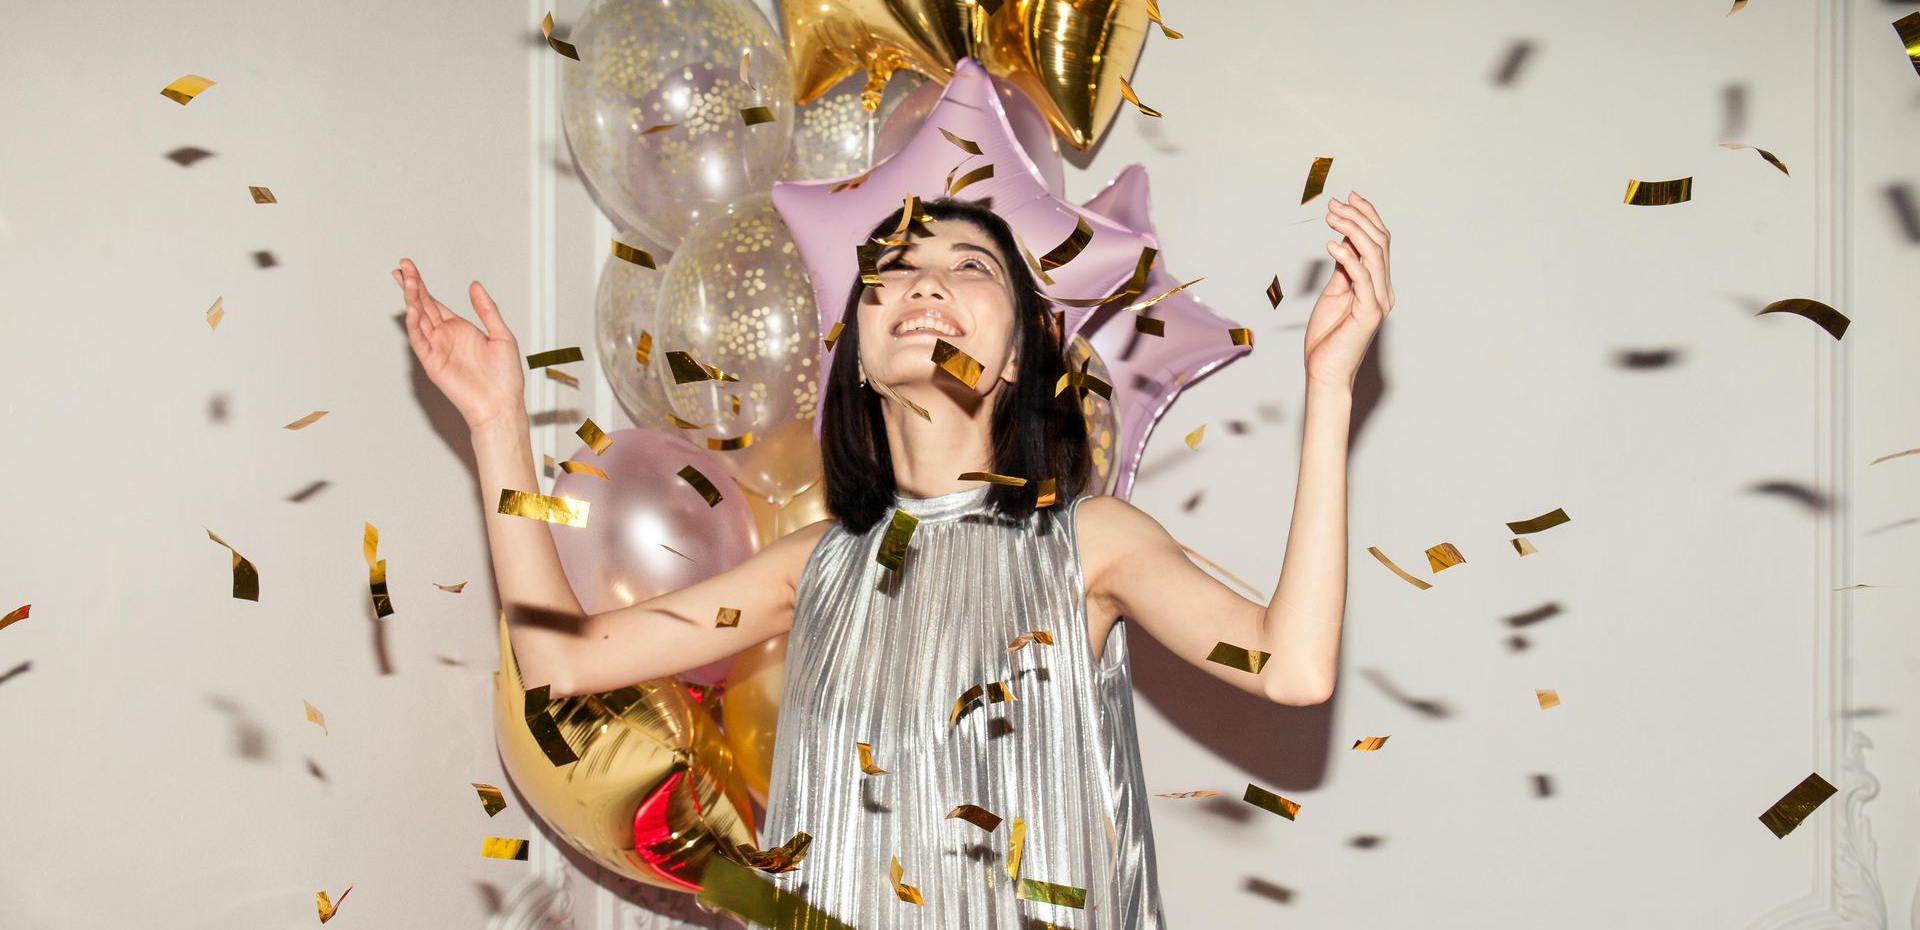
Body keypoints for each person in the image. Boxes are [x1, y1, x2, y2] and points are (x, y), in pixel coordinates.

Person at [396, 189, 1395, 928]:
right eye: (896, 272)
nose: (926, 284)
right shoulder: (813, 567)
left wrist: (1331, 393)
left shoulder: (1090, 543)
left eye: (970, 269)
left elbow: (1293, 667)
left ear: (1017, 356)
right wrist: (496, 427)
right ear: (863, 356)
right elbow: (562, 663)